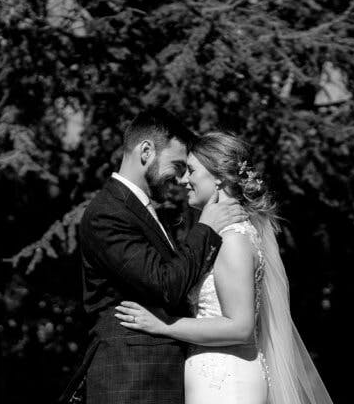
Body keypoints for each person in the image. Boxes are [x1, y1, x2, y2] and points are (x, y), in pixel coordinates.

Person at [115, 132, 334, 404]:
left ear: (218, 176)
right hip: (216, 378)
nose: (183, 180)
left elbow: (240, 327)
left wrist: (165, 326)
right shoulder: (225, 236)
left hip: (228, 382)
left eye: (191, 171)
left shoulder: (233, 240)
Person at [66, 110, 248, 404]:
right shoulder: (107, 213)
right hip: (131, 378)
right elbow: (164, 284)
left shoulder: (145, 211)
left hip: (160, 377)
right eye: (176, 165)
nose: (179, 179)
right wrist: (207, 229)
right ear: (146, 151)